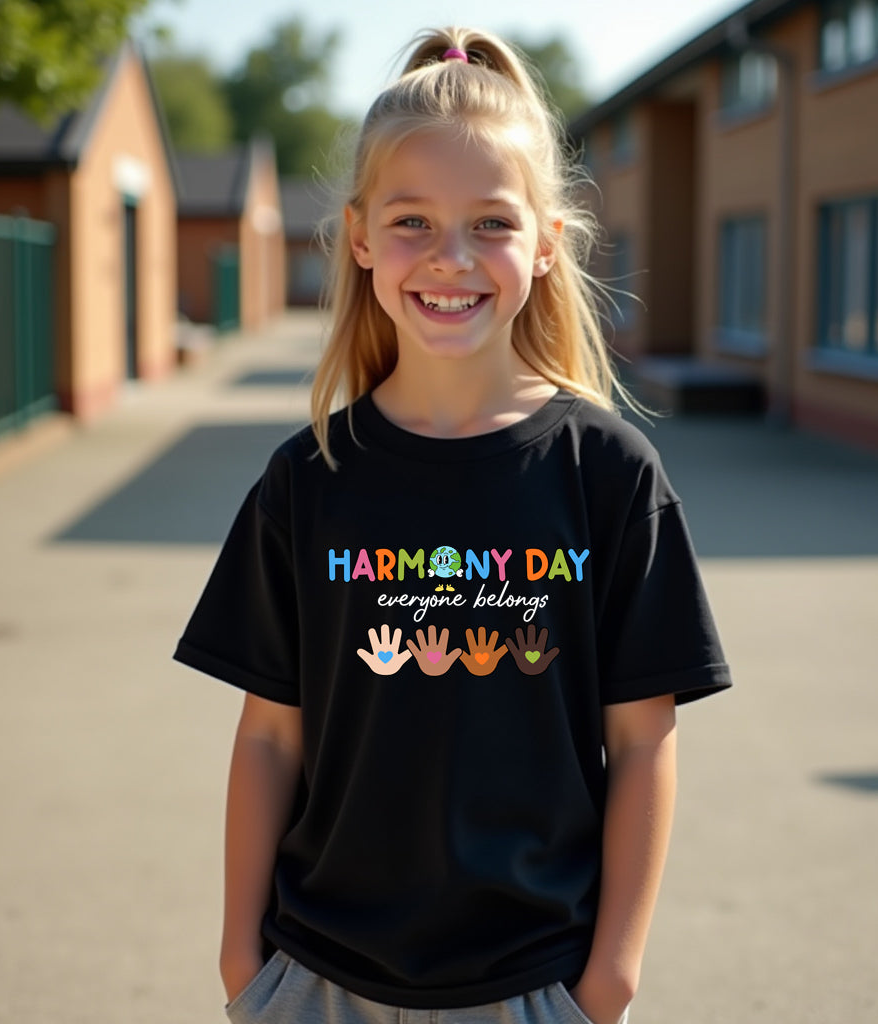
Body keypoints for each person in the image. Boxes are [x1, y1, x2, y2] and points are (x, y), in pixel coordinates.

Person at [174, 26, 731, 1024]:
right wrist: (240, 960)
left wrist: (607, 982)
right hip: (315, 978)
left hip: (532, 984)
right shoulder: (309, 479)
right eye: (412, 222)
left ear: (547, 243)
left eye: (490, 224)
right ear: (357, 236)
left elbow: (644, 741)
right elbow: (267, 734)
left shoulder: (605, 474)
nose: (450, 258)